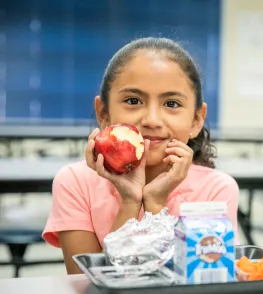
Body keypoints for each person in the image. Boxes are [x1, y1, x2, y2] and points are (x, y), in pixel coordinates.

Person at [42, 37, 240, 274]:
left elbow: (189, 281)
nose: (152, 120)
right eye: (133, 101)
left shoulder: (216, 190)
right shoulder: (75, 182)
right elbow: (87, 282)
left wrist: (155, 204)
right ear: (104, 113)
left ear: (196, 120)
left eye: (172, 103)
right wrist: (130, 202)